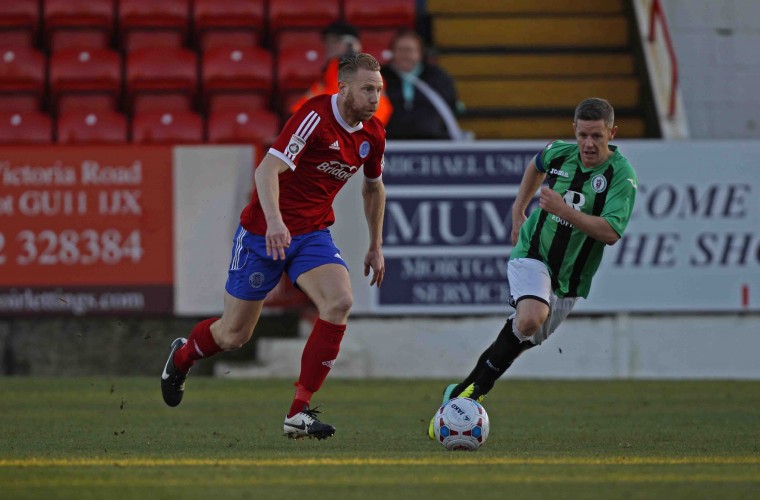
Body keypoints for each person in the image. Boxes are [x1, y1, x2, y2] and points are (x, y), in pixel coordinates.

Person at [162, 52, 387, 440]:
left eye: (379, 90)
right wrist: (276, 223)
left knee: (339, 302)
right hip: (262, 234)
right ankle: (182, 356)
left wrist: (376, 245)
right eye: (368, 89)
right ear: (344, 86)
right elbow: (267, 169)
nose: (375, 98)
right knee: (233, 336)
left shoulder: (373, 135)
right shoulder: (314, 117)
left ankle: (298, 412)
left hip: (313, 234)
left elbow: (373, 187)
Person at [428, 97, 638, 438]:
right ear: (574, 130)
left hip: (569, 281)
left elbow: (611, 232)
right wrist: (518, 209)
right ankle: (471, 398)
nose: (588, 143)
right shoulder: (560, 153)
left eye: (597, 136)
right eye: (583, 134)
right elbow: (535, 165)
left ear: (612, 133)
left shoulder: (620, 176)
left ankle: (460, 394)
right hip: (532, 251)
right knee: (529, 318)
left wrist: (563, 209)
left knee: (521, 336)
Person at [290, 22, 393, 125]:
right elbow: (303, 107)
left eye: (335, 41)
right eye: (327, 41)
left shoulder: (367, 72)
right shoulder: (331, 70)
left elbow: (380, 110)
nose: (329, 46)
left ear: (351, 45)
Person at [380, 29, 461, 140]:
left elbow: (451, 106)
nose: (405, 55)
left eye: (409, 50)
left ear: (420, 53)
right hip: (389, 144)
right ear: (392, 52)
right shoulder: (379, 76)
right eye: (400, 50)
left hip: (433, 142)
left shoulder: (438, 77)